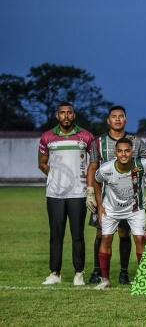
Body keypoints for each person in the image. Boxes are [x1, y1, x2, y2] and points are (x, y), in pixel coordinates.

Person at [86, 105, 146, 285]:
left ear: (126, 120)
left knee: (125, 233)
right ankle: (97, 272)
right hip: (108, 199)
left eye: (121, 116)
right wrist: (90, 191)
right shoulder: (98, 142)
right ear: (108, 120)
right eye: (113, 116)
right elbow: (93, 167)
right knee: (101, 234)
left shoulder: (135, 141)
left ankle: (124, 273)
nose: (117, 119)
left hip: (131, 200)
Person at [38, 102, 95, 286]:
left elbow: (93, 164)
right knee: (56, 235)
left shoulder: (86, 136)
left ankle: (79, 273)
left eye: (69, 113)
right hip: (55, 193)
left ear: (74, 115)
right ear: (57, 116)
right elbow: (42, 163)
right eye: (62, 113)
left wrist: (89, 187)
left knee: (77, 234)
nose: (66, 116)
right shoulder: (47, 137)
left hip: (78, 193)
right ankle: (55, 273)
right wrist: (57, 177)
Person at [92, 138, 146, 289]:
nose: (123, 154)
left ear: (132, 152)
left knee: (139, 239)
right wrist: (99, 205)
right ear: (115, 152)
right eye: (120, 151)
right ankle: (105, 280)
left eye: (127, 151)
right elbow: (96, 181)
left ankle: (143, 279)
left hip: (135, 209)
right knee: (106, 239)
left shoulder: (143, 165)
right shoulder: (106, 169)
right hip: (111, 209)